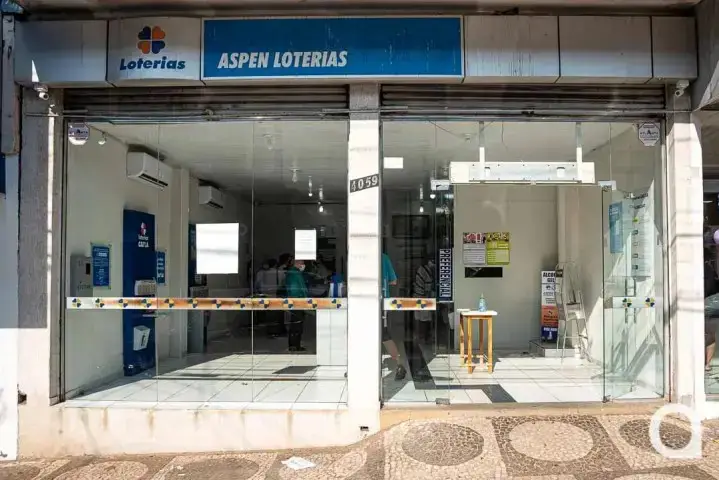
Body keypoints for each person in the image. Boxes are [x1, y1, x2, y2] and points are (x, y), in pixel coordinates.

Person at [382, 252, 406, 380]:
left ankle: (355, 366)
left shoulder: (360, 257)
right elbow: (393, 281)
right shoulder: (384, 257)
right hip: (382, 301)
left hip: (364, 302)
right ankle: (399, 364)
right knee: (384, 334)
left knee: (362, 334)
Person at [285, 258, 309, 352]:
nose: (303, 265)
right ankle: (294, 345)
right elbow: (295, 289)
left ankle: (295, 345)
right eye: (302, 263)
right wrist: (300, 300)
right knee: (297, 324)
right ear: (297, 263)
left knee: (296, 324)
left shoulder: (295, 272)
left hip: (297, 301)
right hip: (297, 302)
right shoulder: (294, 273)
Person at [413, 259, 436, 344]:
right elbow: (427, 289)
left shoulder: (422, 269)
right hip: (423, 298)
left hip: (418, 296)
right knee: (424, 319)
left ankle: (419, 337)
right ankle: (423, 338)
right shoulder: (425, 271)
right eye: (433, 262)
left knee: (419, 318)